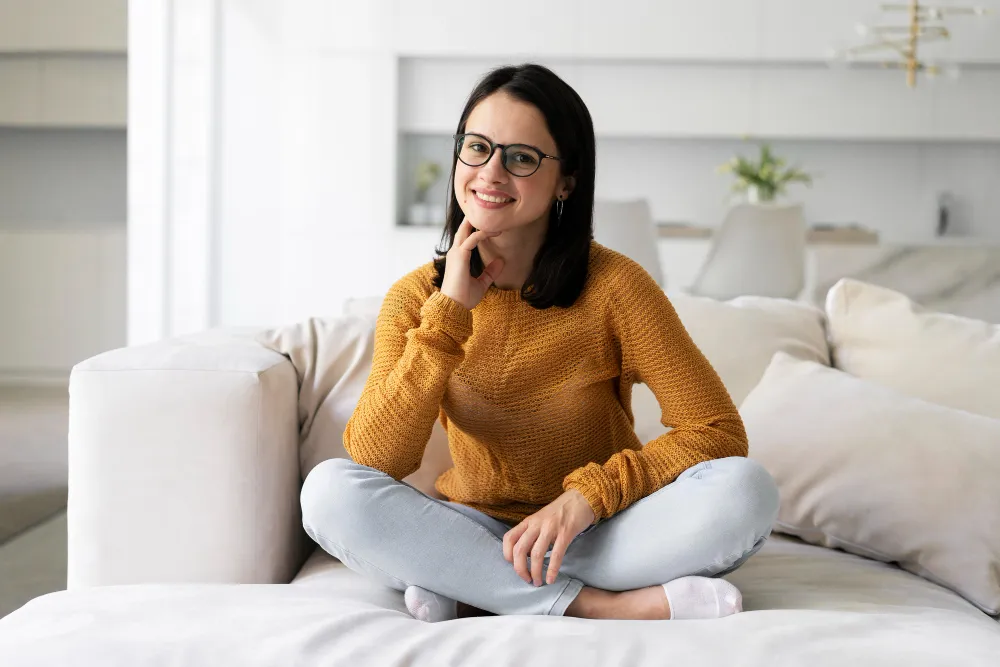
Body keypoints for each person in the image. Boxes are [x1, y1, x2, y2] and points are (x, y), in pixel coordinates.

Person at [300, 63, 779, 622]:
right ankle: (596, 607)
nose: (491, 172)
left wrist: (588, 498)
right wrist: (450, 312)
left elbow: (716, 430)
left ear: (567, 179)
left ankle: (472, 588)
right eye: (477, 147)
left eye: (521, 157)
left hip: (601, 531)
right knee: (329, 491)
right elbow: (378, 459)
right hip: (474, 528)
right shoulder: (416, 299)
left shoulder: (616, 287)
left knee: (746, 491)